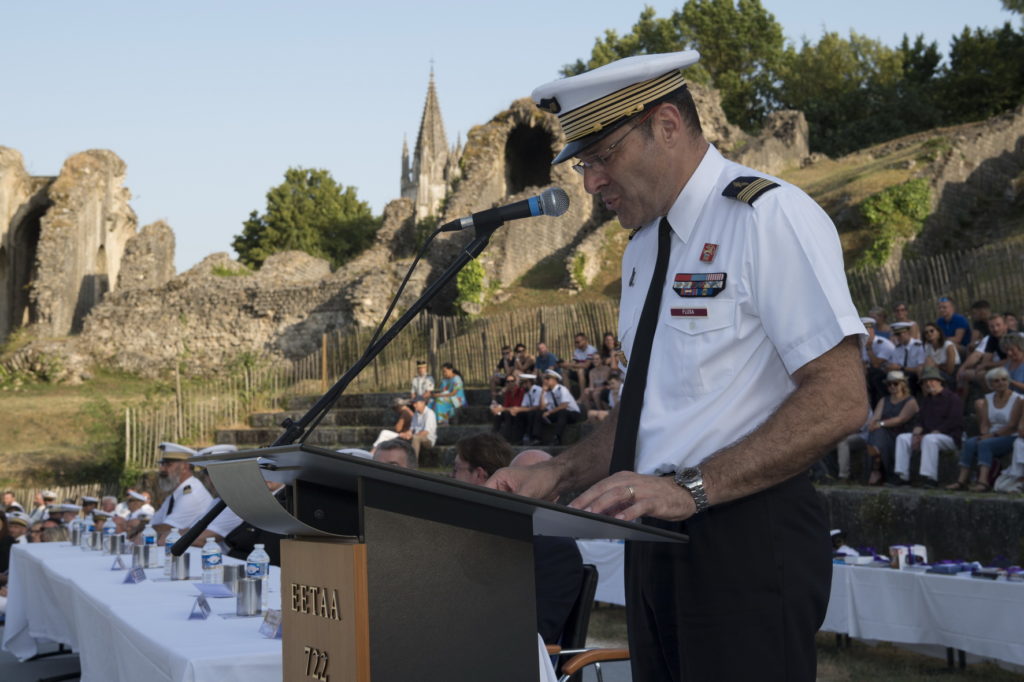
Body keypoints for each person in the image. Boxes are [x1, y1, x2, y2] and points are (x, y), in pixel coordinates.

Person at [487, 50, 866, 681]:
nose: (589, 181)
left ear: (667, 124)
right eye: (583, 163)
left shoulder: (766, 215)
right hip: (657, 537)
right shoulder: (641, 251)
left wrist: (691, 489)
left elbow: (840, 397)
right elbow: (649, 415)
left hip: (746, 533)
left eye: (603, 155)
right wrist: (557, 473)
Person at [451, 433, 583, 645]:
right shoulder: (491, 537)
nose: (516, 491)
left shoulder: (556, 549)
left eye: (526, 482)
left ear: (555, 494)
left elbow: (536, 633)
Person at [947, 367, 1022, 491]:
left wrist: (990, 436)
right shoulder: (988, 398)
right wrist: (984, 433)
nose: (1001, 383)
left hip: (1010, 435)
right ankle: (961, 481)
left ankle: (983, 481)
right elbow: (985, 422)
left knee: (984, 444)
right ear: (991, 384)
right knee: (970, 443)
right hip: (993, 434)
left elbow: (1012, 425)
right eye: (996, 381)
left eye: (1004, 379)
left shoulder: (1017, 399)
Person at [892, 367, 964, 487]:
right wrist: (916, 434)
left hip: (950, 437)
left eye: (931, 380)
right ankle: (902, 476)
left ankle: (930, 477)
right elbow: (920, 420)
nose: (928, 384)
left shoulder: (953, 398)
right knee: (902, 438)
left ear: (940, 381)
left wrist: (931, 433)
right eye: (925, 381)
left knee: (929, 439)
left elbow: (954, 421)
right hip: (927, 436)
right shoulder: (927, 400)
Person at [148, 442, 215, 541]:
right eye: (162, 464)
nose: (161, 468)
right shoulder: (176, 493)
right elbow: (154, 522)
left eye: (168, 464)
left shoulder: (191, 495)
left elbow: (169, 528)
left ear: (185, 467)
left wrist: (142, 530)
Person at [865, 371, 918, 485]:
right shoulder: (884, 400)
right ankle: (877, 469)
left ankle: (876, 470)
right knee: (876, 432)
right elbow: (876, 417)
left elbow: (901, 419)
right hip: (883, 432)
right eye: (889, 384)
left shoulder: (911, 401)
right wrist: (873, 423)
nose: (892, 386)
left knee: (878, 433)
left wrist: (881, 424)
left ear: (903, 384)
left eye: (895, 383)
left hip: (900, 433)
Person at [957, 313, 1009, 394]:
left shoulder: (1013, 337)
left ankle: (993, 400)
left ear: (1005, 325)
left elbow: (1011, 360)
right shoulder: (992, 339)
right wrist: (980, 367)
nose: (995, 329)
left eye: (998, 325)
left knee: (982, 375)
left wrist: (986, 365)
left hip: (1016, 369)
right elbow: (985, 359)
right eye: (992, 326)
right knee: (966, 374)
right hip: (1001, 367)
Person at [534, 369, 584, 445]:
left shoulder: (562, 389)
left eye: (548, 378)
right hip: (559, 414)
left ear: (555, 380)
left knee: (562, 411)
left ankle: (557, 438)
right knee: (539, 412)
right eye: (545, 379)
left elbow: (564, 405)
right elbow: (542, 407)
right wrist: (543, 392)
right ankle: (536, 438)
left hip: (572, 414)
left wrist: (549, 412)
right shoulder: (548, 392)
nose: (545, 381)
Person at [408, 395, 437, 460]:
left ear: (423, 403)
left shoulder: (430, 413)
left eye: (416, 403)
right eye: (413, 403)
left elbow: (426, 432)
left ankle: (413, 463)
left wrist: (412, 436)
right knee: (400, 438)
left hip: (428, 439)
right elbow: (411, 429)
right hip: (418, 435)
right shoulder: (415, 413)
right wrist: (406, 434)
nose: (414, 405)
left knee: (415, 438)